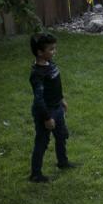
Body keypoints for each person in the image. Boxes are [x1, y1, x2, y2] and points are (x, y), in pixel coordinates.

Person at [28, 33, 76, 182]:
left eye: (54, 48)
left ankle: (63, 162)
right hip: (46, 112)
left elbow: (56, 85)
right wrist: (47, 118)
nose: (54, 51)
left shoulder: (51, 64)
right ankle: (36, 174)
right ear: (40, 52)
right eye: (51, 49)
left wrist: (62, 99)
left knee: (61, 135)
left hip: (57, 108)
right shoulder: (37, 74)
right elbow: (39, 99)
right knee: (42, 142)